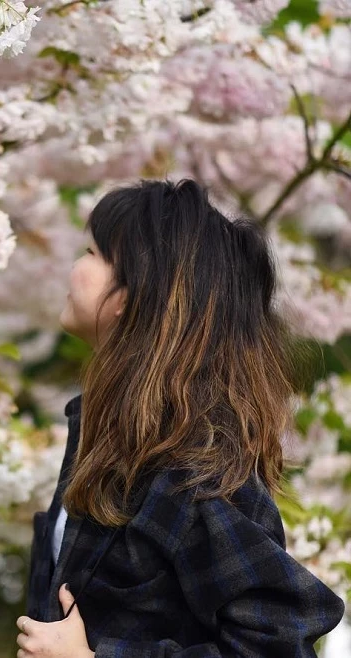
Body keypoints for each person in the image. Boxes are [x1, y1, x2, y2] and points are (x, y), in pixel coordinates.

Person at [18, 179, 345, 657]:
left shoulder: (189, 468)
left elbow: (276, 644)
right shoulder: (103, 429)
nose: (73, 267)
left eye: (90, 252)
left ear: (131, 294)